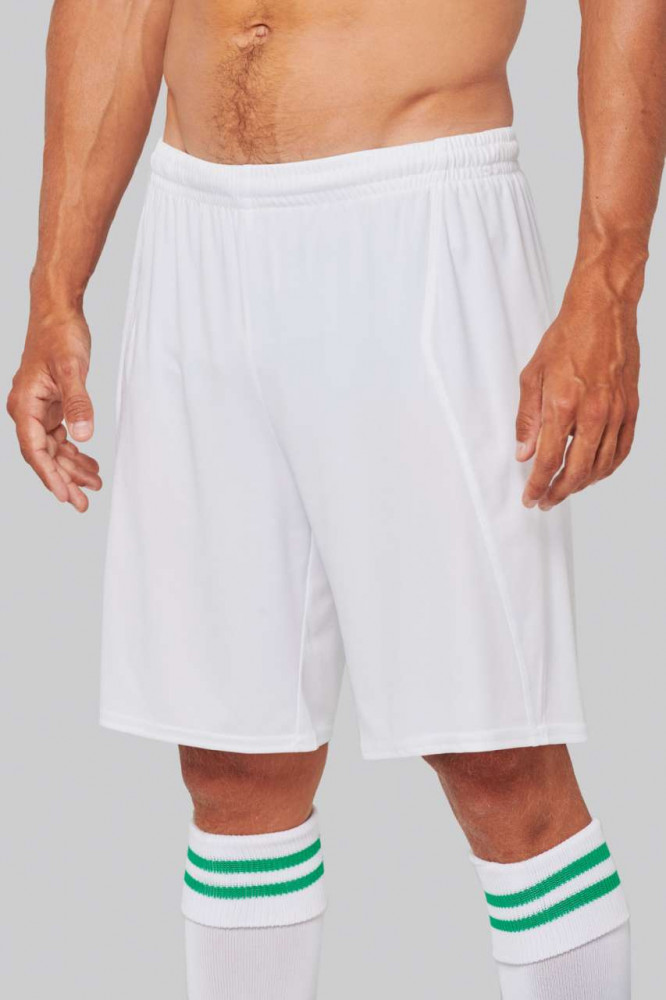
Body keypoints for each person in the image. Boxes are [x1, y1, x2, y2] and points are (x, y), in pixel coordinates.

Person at [7, 1, 665, 997]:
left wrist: (609, 285)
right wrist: (57, 286)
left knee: (496, 757)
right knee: (233, 763)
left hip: (418, 220)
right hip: (197, 233)